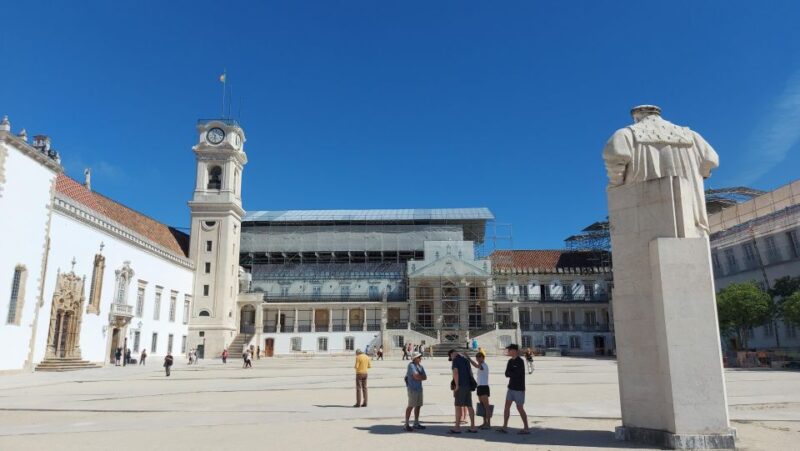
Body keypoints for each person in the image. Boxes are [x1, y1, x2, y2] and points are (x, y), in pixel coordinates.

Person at [498, 344, 530, 434]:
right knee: (506, 407)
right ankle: (504, 427)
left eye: (509, 350)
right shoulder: (510, 361)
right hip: (510, 387)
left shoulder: (520, 361)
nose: (508, 352)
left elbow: (517, 374)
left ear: (514, 351)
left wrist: (511, 373)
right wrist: (512, 373)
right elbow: (506, 374)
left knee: (520, 408)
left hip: (519, 389)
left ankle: (526, 428)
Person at [448, 349, 477, 434]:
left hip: (460, 385)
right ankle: (473, 426)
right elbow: (471, 373)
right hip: (468, 385)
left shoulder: (455, 360)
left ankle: (457, 427)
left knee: (458, 406)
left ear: (452, 354)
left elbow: (455, 372)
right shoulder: (465, 360)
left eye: (450, 357)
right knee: (469, 406)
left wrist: (456, 386)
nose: (451, 359)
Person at [404, 352, 427, 432]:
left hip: (419, 389)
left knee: (418, 406)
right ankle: (406, 424)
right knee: (411, 406)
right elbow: (416, 376)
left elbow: (425, 377)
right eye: (419, 357)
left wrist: (419, 376)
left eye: (420, 357)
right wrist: (420, 376)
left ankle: (416, 423)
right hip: (412, 389)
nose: (420, 358)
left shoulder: (420, 366)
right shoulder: (411, 366)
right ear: (414, 358)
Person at [468, 351, 492, 429]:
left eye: (479, 357)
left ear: (483, 357)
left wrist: (469, 359)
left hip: (484, 387)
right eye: (477, 357)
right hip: (480, 387)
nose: (478, 358)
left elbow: (476, 366)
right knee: (482, 406)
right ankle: (484, 422)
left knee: (486, 407)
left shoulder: (484, 365)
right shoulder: (481, 365)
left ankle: (488, 424)